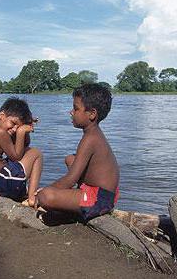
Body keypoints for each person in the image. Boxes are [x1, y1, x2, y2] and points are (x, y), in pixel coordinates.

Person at [36, 83, 120, 221]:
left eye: (76, 109)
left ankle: (82, 205)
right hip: (102, 193)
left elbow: (70, 179)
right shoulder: (93, 134)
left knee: (46, 196)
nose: (71, 112)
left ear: (92, 114)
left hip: (99, 199)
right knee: (70, 159)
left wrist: (40, 191)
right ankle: (77, 198)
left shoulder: (90, 139)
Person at [0, 97, 42, 206]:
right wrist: (21, 132)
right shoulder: (0, 132)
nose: (14, 129)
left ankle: (22, 193)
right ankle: (32, 197)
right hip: (1, 182)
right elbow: (17, 157)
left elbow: (24, 146)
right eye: (13, 123)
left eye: (18, 127)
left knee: (26, 152)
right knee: (36, 153)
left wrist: (24, 129)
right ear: (2, 116)